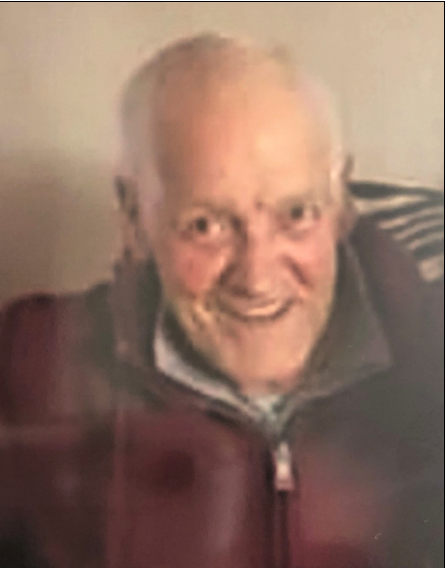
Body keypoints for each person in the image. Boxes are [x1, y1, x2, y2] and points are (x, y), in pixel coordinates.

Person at [0, 34, 443, 568]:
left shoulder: (432, 356)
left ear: (340, 199)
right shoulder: (30, 368)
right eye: (206, 226)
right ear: (135, 216)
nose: (256, 278)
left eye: (296, 215)